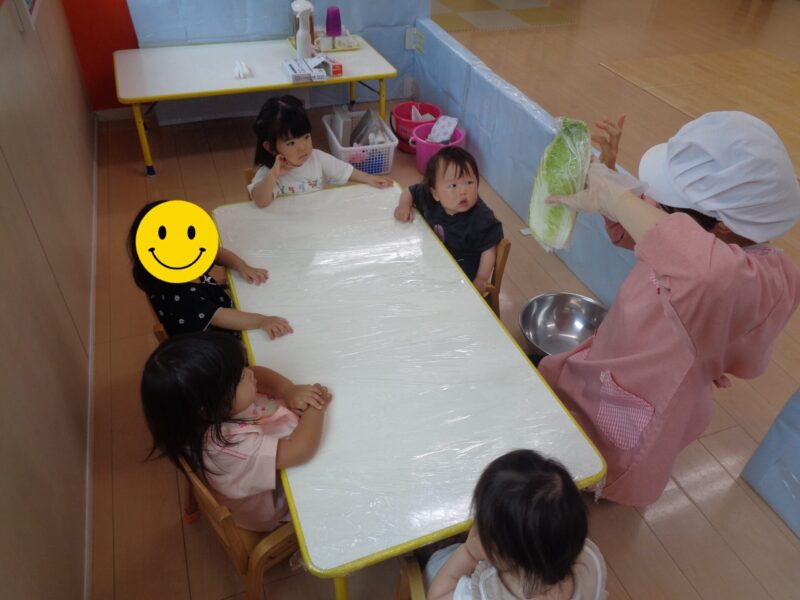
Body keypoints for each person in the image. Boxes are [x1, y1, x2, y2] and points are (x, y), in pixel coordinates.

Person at [540, 111, 800, 506]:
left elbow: (700, 267)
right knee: (581, 406)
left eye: (668, 209)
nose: (657, 212)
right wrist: (610, 183)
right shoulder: (696, 233)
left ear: (723, 226)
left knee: (607, 451)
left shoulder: (758, 281)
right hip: (620, 349)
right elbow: (658, 229)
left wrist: (615, 197)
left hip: (647, 388)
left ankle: (590, 488)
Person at [141, 331, 332, 531]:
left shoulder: (191, 414)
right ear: (209, 408)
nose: (249, 373)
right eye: (240, 377)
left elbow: (257, 373)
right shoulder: (230, 448)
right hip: (273, 505)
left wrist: (287, 390)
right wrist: (316, 407)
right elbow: (299, 451)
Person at [425, 449, 607, 600]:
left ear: (496, 553)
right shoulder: (591, 561)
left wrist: (469, 553)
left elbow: (437, 596)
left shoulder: (483, 593)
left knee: (436, 562)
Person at [128, 200, 293, 339]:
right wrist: (262, 321)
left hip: (218, 307)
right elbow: (220, 317)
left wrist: (242, 266)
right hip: (211, 342)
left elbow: (216, 253)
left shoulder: (184, 258)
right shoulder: (182, 295)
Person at [249, 95, 393, 208]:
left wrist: (369, 178)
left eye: (306, 137)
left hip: (317, 220)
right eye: (291, 143)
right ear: (270, 147)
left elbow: (346, 171)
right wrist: (273, 174)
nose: (303, 147)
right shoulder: (269, 172)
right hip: (286, 226)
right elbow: (261, 202)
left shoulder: (317, 158)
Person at [393, 147, 503, 295]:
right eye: (453, 185)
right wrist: (404, 206)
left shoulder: (482, 217)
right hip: (436, 256)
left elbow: (489, 249)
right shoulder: (428, 198)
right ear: (435, 193)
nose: (463, 191)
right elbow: (410, 191)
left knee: (443, 292)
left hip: (463, 265)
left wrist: (481, 279)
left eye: (469, 182)